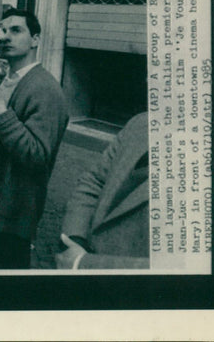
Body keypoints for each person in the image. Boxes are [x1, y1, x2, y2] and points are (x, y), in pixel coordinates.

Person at [0, 8, 68, 269]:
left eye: (16, 30)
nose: (6, 36)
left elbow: (38, 154)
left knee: (6, 272)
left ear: (36, 40)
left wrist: (1, 112)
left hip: (13, 205)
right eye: (3, 30)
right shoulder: (3, 78)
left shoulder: (44, 89)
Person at [56, 112, 149, 270]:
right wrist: (75, 239)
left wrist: (82, 264)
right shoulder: (141, 123)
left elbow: (183, 270)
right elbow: (94, 181)